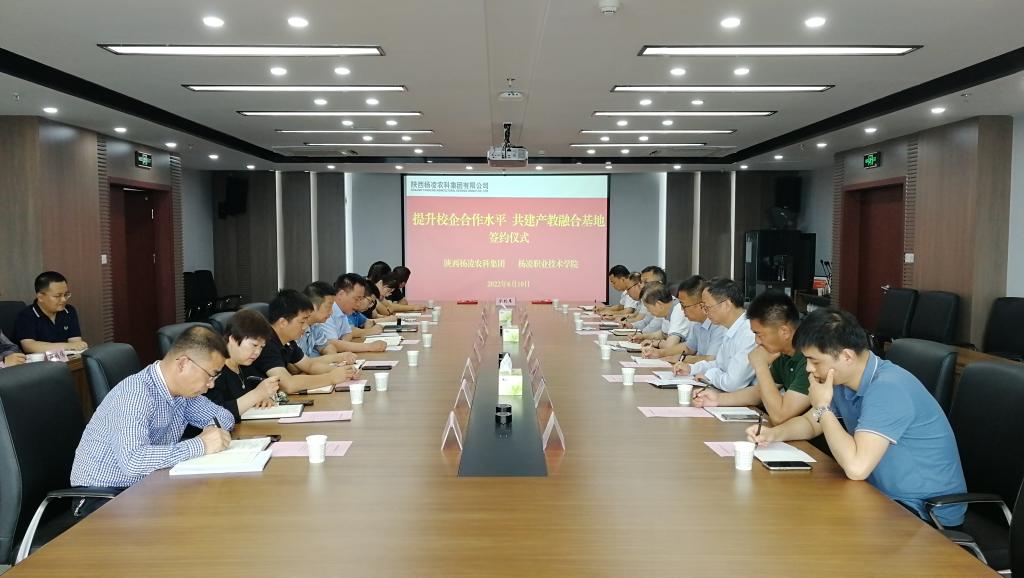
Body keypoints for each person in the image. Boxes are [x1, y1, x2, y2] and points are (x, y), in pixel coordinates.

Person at [747, 308, 967, 527]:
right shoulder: (843, 381)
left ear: (847, 356)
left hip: (923, 514)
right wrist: (774, 434)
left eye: (815, 361)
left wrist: (822, 406)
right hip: (880, 497)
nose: (808, 369)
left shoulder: (888, 388)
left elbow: (856, 468)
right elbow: (810, 423)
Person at [70, 326, 235, 508]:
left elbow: (224, 416)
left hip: (147, 486)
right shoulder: (136, 393)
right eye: (210, 376)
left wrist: (212, 432)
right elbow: (133, 461)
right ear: (183, 364)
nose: (211, 385)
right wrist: (201, 445)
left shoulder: (183, 393)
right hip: (103, 497)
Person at [691, 291, 811, 425]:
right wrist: (717, 399)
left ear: (784, 332)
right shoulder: (782, 353)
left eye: (759, 334)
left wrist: (760, 365)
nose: (757, 341)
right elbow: (760, 392)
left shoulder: (810, 358)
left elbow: (780, 415)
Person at [252, 289, 360, 394]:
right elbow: (288, 384)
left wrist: (342, 371)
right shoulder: (266, 343)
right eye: (302, 322)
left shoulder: (288, 342)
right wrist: (331, 377)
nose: (305, 327)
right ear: (283, 323)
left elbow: (310, 365)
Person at [675, 277, 756, 392]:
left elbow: (732, 383)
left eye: (707, 307)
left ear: (726, 305)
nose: (705, 312)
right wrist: (691, 369)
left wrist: (709, 376)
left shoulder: (749, 332)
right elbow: (719, 365)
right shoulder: (731, 329)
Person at [204, 309, 281, 421]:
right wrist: (256, 395)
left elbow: (262, 389)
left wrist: (264, 397)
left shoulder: (247, 365)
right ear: (233, 339)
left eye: (261, 347)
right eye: (254, 345)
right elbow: (213, 415)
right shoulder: (213, 373)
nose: (257, 352)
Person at [14, 271, 88, 353]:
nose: (63, 299)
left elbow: (76, 343)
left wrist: (76, 346)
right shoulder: (26, 315)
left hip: (67, 359)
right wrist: (68, 346)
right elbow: (29, 346)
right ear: (40, 297)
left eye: (66, 294)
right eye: (58, 296)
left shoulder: (69, 310)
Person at [667, 275, 725, 366]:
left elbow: (710, 359)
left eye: (684, 306)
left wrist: (682, 359)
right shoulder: (696, 323)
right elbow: (689, 348)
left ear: (701, 305)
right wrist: (660, 353)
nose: (682, 310)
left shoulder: (719, 324)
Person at [299, 281, 363, 361]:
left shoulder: (315, 325)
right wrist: (337, 357)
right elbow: (299, 365)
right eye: (328, 307)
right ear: (313, 306)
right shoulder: (296, 328)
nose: (331, 312)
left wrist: (334, 359)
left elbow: (326, 346)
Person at [633, 283, 689, 357]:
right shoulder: (667, 309)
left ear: (659, 304)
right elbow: (663, 333)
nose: (648, 311)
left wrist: (656, 343)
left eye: (648, 307)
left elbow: (670, 346)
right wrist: (643, 337)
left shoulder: (678, 310)